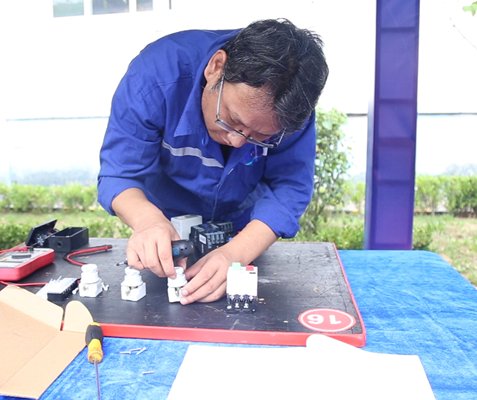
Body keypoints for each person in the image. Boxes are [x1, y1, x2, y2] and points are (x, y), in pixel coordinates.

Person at [98, 18, 328, 305]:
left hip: (246, 228)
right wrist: (147, 221)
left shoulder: (291, 108)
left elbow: (290, 186)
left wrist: (237, 252)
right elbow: (120, 174)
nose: (237, 141)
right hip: (167, 229)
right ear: (216, 68)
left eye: (260, 136)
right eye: (231, 120)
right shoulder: (154, 77)